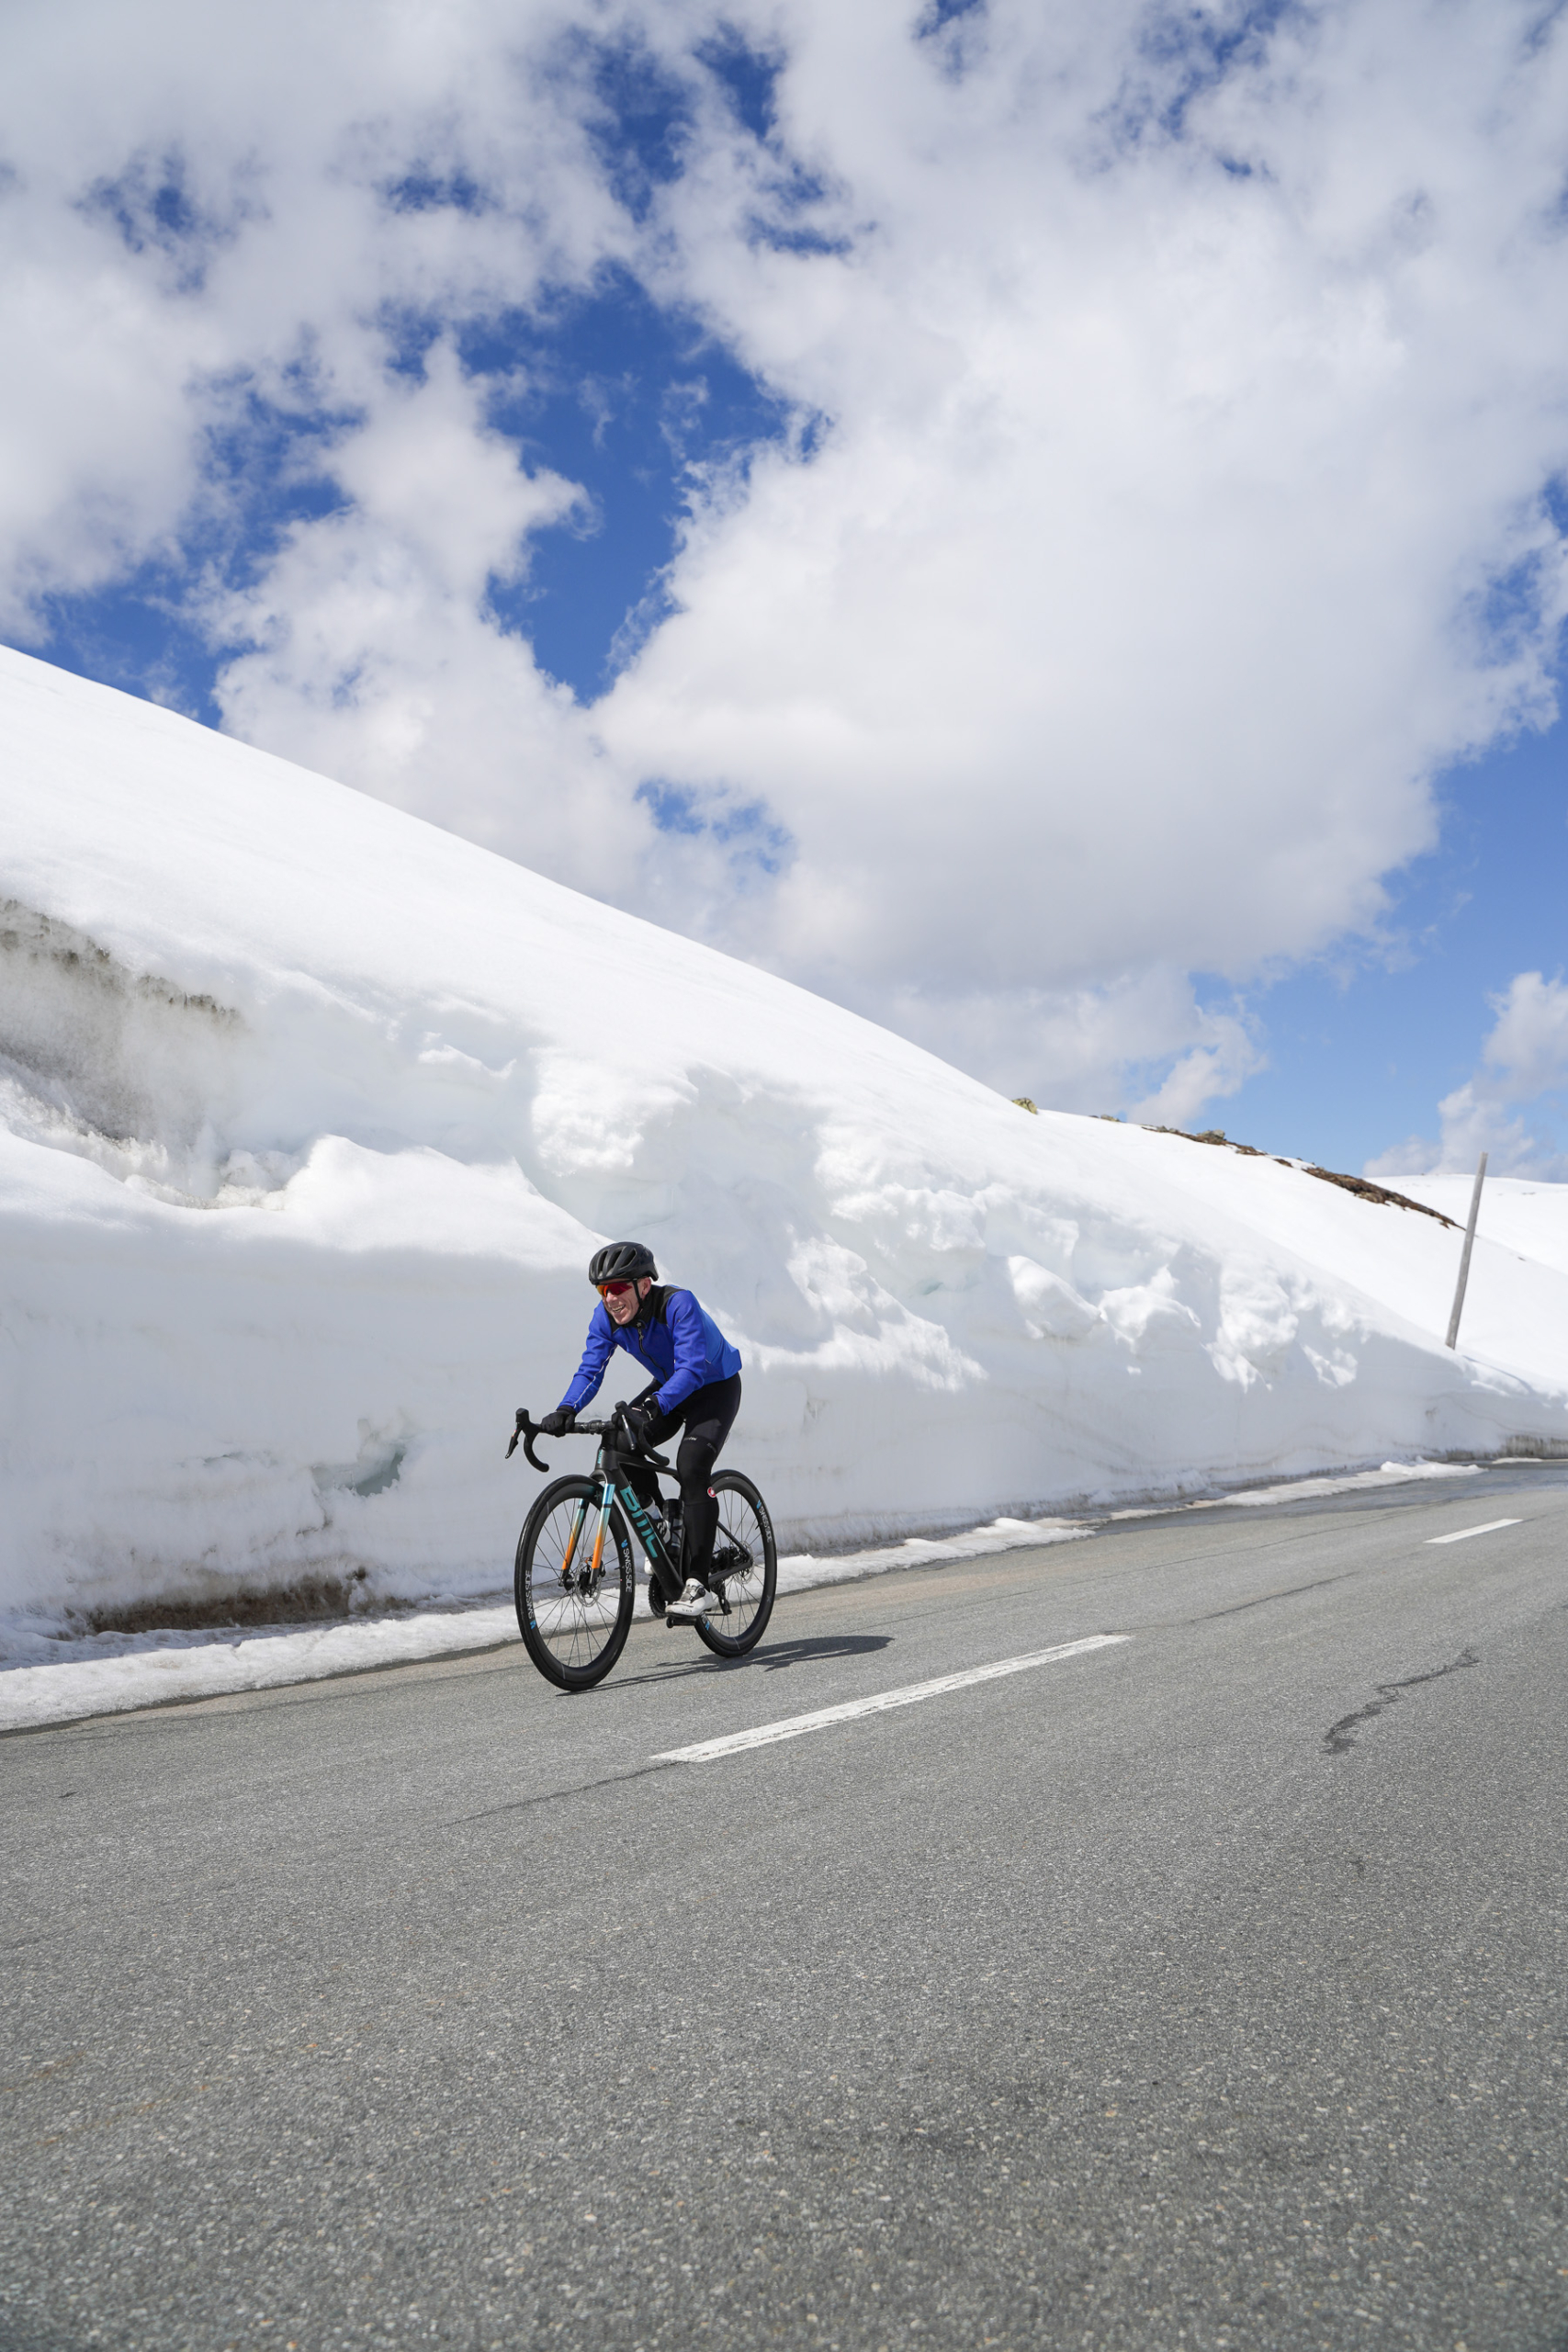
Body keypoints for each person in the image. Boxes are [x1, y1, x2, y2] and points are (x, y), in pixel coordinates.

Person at [538, 1243, 743, 1623]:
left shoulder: (678, 1304)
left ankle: (698, 1583)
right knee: (621, 1441)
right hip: (669, 1387)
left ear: (644, 1285)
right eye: (603, 1290)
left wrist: (652, 1406)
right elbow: (591, 1369)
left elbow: (692, 1369)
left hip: (714, 1387)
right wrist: (566, 1409)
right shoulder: (606, 1318)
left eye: (618, 1288)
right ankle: (664, 1525)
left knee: (691, 1466)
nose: (610, 1299)